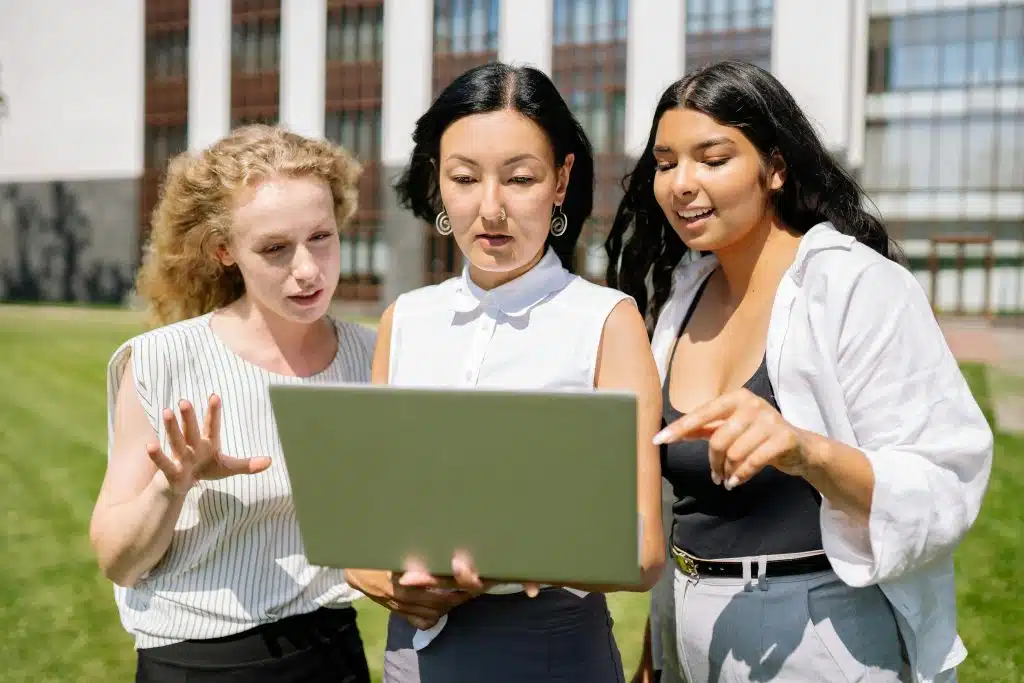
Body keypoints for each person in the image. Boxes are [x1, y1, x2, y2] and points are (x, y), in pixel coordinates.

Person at [605, 60, 993, 683]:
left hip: (818, 635)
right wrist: (660, 641)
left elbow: (947, 478)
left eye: (713, 157)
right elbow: (683, 505)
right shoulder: (680, 297)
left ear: (775, 167)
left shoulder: (854, 286)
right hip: (688, 623)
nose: (681, 182)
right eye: (666, 161)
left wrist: (806, 450)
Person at [342, 61, 666, 683]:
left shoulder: (607, 321)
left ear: (562, 179)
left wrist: (510, 557)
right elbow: (367, 525)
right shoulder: (406, 319)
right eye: (465, 178)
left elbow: (644, 550)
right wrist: (379, 577)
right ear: (439, 182)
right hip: (416, 648)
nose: (490, 208)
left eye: (519, 178)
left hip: (546, 648)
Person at [89, 124, 377, 682]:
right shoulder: (160, 362)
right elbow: (118, 562)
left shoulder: (373, 357)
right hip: (198, 665)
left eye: (321, 236)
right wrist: (171, 486)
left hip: (333, 650)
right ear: (224, 251)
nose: (307, 269)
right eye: (274, 248)